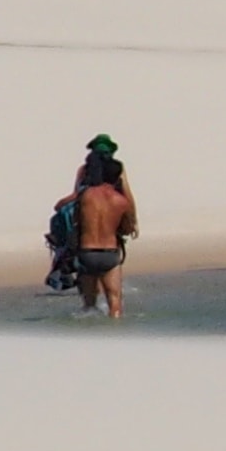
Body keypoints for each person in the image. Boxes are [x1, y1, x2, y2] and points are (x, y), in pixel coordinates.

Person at [43, 133, 114, 294]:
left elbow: (78, 193)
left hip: (85, 203)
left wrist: (61, 203)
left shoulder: (84, 169)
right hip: (110, 206)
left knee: (64, 222)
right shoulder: (117, 168)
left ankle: (64, 263)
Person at [71, 148, 139, 317]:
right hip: (110, 253)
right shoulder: (121, 201)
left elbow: (62, 207)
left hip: (87, 252)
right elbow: (127, 228)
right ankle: (115, 337)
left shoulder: (86, 195)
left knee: (89, 306)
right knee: (115, 301)